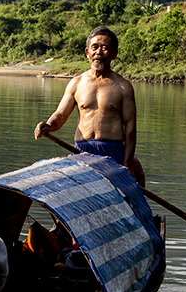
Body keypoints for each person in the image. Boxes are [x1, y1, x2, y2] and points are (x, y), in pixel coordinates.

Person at [33, 25, 145, 186]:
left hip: (112, 151)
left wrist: (127, 162)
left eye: (105, 48)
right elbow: (60, 115)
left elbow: (130, 128)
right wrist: (48, 125)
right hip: (81, 151)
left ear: (114, 54)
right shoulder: (76, 83)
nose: (99, 52)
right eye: (95, 47)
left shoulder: (123, 87)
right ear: (87, 53)